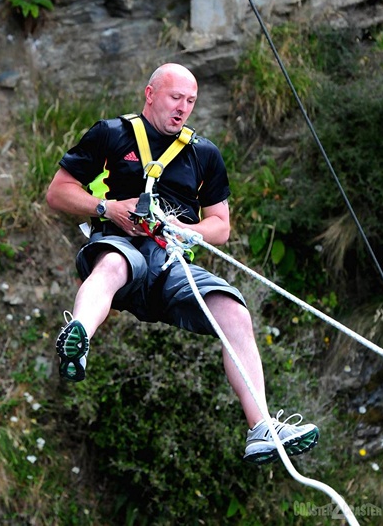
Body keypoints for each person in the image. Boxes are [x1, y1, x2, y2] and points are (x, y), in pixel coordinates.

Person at [46, 63, 319, 465]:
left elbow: (220, 226)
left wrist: (183, 229)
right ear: (150, 94)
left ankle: (261, 428)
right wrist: (109, 207)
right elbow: (59, 192)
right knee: (115, 266)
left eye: (190, 101)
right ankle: (78, 339)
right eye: (176, 98)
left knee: (234, 311)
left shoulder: (202, 153)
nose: (183, 108)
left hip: (172, 260)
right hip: (121, 241)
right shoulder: (111, 134)